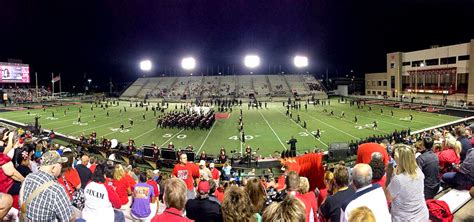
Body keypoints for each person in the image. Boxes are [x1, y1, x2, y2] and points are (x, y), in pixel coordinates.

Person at [19, 151, 74, 221]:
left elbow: (20, 203)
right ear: (53, 168)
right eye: (60, 164)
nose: (61, 167)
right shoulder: (57, 190)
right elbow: (68, 219)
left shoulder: (28, 177)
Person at [385, 144, 429, 222]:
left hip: (405, 219)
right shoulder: (418, 171)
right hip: (422, 215)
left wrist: (388, 175)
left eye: (395, 158)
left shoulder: (398, 179)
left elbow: (388, 197)